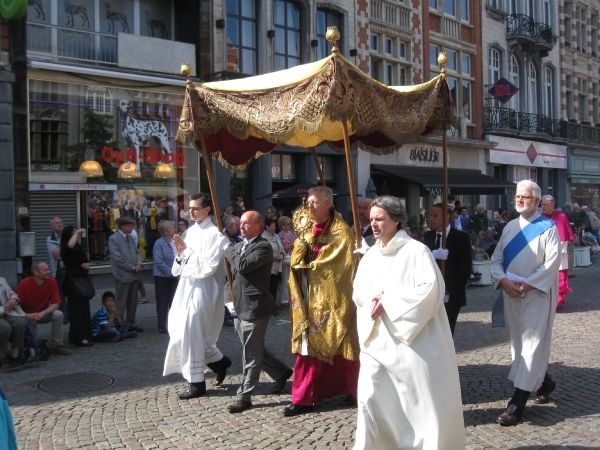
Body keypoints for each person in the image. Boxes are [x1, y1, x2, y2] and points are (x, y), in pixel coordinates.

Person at [352, 196, 465, 450]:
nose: (374, 224)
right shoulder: (370, 256)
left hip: (410, 341)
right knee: (371, 396)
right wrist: (371, 299)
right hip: (377, 340)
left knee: (415, 401)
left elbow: (431, 291)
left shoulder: (416, 251)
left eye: (380, 219)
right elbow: (358, 290)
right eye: (371, 220)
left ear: (396, 220)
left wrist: (389, 301)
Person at [490, 180, 560, 426]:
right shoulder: (509, 227)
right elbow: (497, 258)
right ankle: (544, 382)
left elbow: (551, 264)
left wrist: (527, 285)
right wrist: (503, 281)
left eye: (526, 198)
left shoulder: (548, 228)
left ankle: (517, 404)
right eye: (518, 197)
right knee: (519, 344)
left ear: (537, 202)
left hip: (536, 295)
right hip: (512, 294)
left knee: (531, 345)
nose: (520, 201)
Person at [286, 186, 360, 416]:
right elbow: (299, 253)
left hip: (333, 300)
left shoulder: (341, 231)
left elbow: (341, 265)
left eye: (314, 202)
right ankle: (303, 398)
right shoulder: (306, 228)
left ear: (328, 203)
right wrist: (301, 252)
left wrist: (312, 267)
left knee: (344, 346)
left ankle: (357, 391)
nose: (309, 206)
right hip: (309, 296)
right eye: (308, 202)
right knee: (307, 349)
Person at [163, 193, 232, 400]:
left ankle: (196, 383)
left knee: (192, 332)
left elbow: (208, 267)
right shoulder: (191, 232)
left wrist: (186, 253)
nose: (191, 212)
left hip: (204, 290)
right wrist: (180, 254)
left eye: (195, 208)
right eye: (189, 208)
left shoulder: (216, 236)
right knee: (179, 332)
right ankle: (220, 362)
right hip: (186, 287)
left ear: (207, 209)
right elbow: (180, 264)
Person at [223, 211, 293, 413]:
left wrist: (228, 251)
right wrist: (229, 301)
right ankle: (281, 372)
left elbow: (243, 266)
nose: (241, 226)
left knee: (251, 353)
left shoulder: (263, 246)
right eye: (240, 223)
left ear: (258, 226)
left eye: (246, 223)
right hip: (238, 305)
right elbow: (230, 277)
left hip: (256, 306)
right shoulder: (237, 246)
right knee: (254, 348)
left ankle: (244, 396)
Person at [423, 203, 473, 336]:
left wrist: (449, 289)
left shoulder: (460, 238)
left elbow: (465, 268)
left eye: (435, 215)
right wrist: (433, 254)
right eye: (431, 215)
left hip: (451, 296)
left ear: (446, 217)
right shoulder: (428, 236)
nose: (431, 218)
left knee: (446, 332)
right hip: (431, 293)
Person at [16, 261, 71, 355]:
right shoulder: (24, 283)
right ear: (36, 272)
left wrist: (43, 313)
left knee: (58, 314)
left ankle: (57, 345)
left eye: (48, 269)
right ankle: (32, 347)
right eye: (45, 270)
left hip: (42, 313)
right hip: (28, 315)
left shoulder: (52, 281)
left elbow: (56, 303)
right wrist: (26, 315)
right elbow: (17, 304)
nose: (48, 271)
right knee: (32, 335)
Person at [108, 217, 144, 333]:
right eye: (130, 226)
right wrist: (132, 267)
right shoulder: (114, 239)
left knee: (133, 301)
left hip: (134, 275)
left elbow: (137, 252)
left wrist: (139, 263)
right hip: (123, 275)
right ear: (123, 227)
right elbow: (118, 258)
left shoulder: (131, 238)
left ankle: (131, 322)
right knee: (121, 301)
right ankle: (119, 323)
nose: (132, 228)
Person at [60, 226, 93, 347]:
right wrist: (78, 232)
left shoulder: (78, 248)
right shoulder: (66, 248)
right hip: (73, 282)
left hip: (82, 280)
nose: (77, 235)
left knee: (84, 310)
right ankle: (78, 337)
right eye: (73, 233)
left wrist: (87, 264)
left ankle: (84, 334)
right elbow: (70, 245)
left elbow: (85, 259)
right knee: (76, 311)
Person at [541, 195, 575, 310]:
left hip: (560, 251)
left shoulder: (561, 216)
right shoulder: (541, 217)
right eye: (542, 204)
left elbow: (564, 235)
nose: (543, 206)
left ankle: (558, 301)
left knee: (560, 277)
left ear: (552, 204)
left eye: (545, 204)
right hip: (545, 253)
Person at [153, 221, 179, 334]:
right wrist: (170, 272)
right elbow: (158, 261)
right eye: (171, 227)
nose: (174, 229)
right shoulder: (159, 243)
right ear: (165, 231)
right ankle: (162, 325)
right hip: (162, 276)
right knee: (162, 301)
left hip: (175, 276)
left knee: (174, 300)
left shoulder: (175, 242)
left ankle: (173, 324)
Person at [0, 278, 28, 366]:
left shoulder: (2, 280)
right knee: (5, 327)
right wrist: (5, 308)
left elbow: (12, 294)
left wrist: (14, 300)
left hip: (7, 311)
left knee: (21, 322)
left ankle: (14, 353)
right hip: (4, 309)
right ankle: (2, 352)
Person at [46, 217, 68, 323]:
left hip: (70, 268)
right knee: (61, 293)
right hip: (60, 269)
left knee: (72, 291)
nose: (59, 224)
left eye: (61, 222)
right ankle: (63, 314)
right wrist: (67, 249)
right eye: (57, 223)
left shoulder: (68, 236)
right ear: (52, 226)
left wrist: (62, 251)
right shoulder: (50, 239)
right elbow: (55, 255)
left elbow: (72, 252)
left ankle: (71, 313)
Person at [262, 218, 285, 306]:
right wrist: (274, 257)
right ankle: (268, 305)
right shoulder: (263, 237)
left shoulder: (276, 236)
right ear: (267, 227)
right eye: (273, 226)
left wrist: (282, 254)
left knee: (275, 285)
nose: (275, 228)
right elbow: (264, 251)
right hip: (269, 265)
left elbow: (282, 247)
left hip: (277, 265)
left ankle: (273, 304)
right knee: (268, 285)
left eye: (275, 226)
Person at [277, 216, 296, 308]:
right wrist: (295, 242)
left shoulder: (292, 234)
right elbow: (286, 247)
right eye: (288, 224)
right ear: (283, 226)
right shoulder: (280, 235)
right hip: (286, 258)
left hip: (294, 257)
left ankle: (293, 298)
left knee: (294, 280)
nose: (290, 226)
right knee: (285, 280)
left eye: (290, 224)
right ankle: (284, 299)